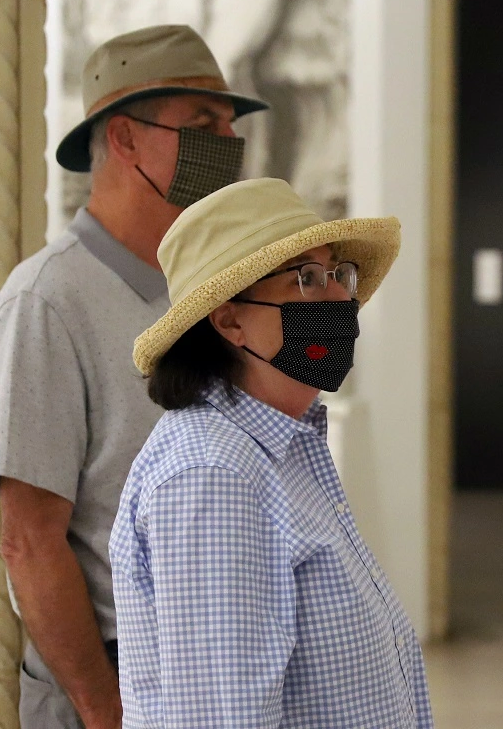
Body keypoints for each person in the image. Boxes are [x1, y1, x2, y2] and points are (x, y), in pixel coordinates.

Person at [0, 24, 268, 729]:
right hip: (114, 675)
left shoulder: (212, 289)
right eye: (203, 122)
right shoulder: (47, 299)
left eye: (230, 123)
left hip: (217, 669)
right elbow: (29, 539)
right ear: (124, 139)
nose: (226, 142)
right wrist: (107, 712)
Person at [111, 177, 432, 727]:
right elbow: (220, 718)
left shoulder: (280, 447)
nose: (338, 297)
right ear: (229, 319)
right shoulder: (213, 476)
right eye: (305, 278)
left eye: (338, 274)